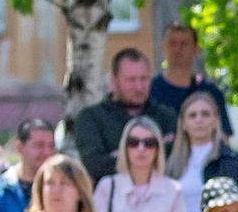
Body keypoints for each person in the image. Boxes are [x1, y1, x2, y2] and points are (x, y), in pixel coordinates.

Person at [72, 46, 181, 186]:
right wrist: (156, 150)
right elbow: (95, 166)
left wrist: (118, 155)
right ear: (113, 80)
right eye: (131, 80)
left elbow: (177, 157)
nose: (139, 87)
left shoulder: (166, 116)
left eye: (144, 79)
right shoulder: (91, 118)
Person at [165, 91, 238, 212]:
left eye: (205, 114)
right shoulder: (167, 161)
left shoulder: (233, 161)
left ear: (216, 120)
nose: (199, 120)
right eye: (192, 115)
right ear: (183, 123)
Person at [148, 21, 230, 123]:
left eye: (184, 43)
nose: (177, 49)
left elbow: (223, 136)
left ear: (196, 49)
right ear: (162, 48)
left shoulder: (211, 93)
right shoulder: (149, 90)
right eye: (172, 43)